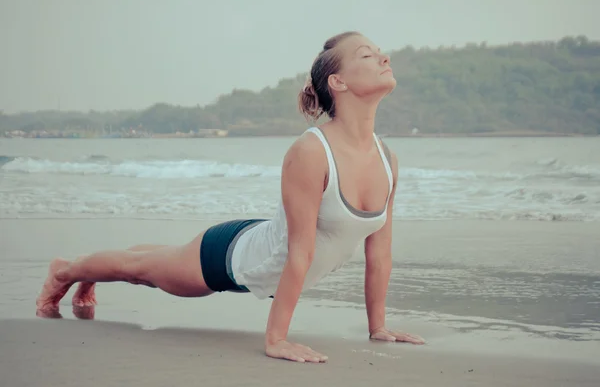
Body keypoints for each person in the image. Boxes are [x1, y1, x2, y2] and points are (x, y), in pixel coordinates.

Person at [35, 31, 425, 363]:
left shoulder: (387, 159)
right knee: (141, 271)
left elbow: (380, 254)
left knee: (153, 261)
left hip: (265, 244)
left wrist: (379, 328)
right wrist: (276, 339)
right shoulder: (311, 152)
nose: (383, 57)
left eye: (379, 52)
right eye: (366, 55)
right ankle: (66, 271)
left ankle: (87, 270)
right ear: (337, 82)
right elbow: (299, 252)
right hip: (233, 258)